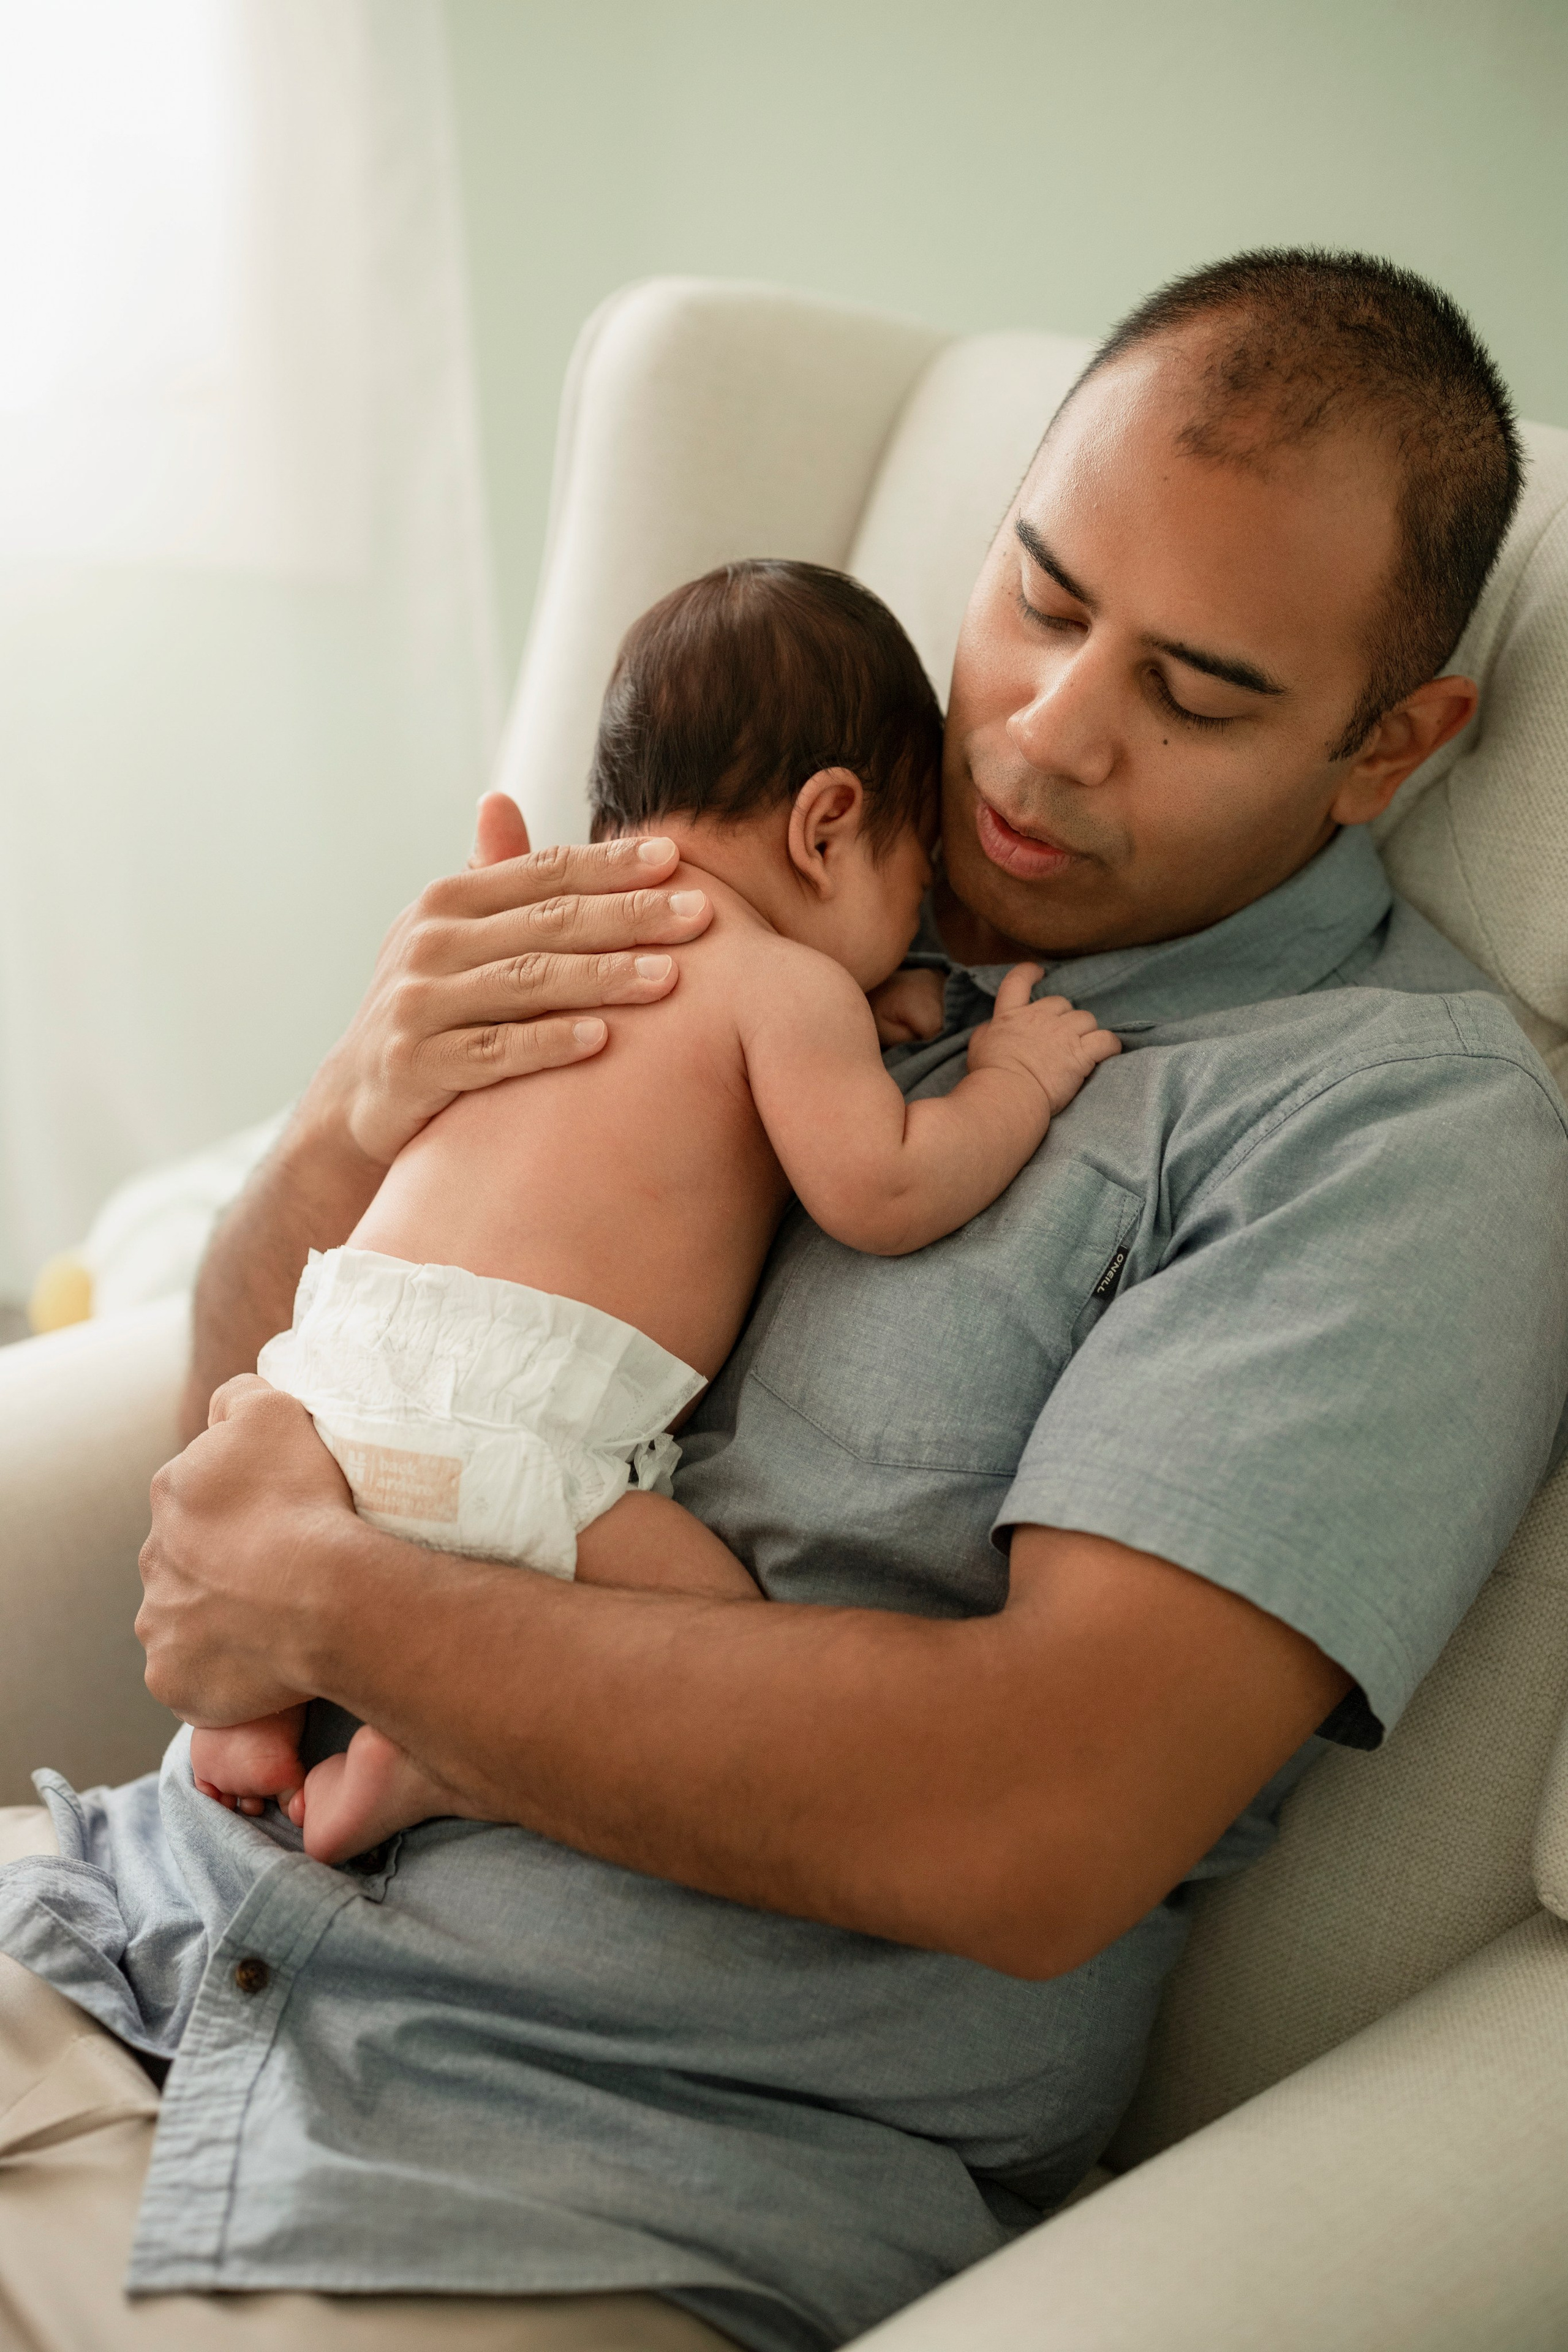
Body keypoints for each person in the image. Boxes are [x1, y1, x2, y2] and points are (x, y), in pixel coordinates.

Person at [4, 249, 1568, 2352]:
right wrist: (348, 1122)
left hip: (538, 2184)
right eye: (1035, 594)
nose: (1042, 732)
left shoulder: (1385, 1142)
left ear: (1394, 748)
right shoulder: (779, 865)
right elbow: (246, 1441)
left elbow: (1042, 1819)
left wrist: (345, 1611)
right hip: (115, 1944)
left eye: (1194, 693)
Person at [186, 560, 1118, 1862]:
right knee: (714, 1636)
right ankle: (435, 1759)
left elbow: (644, 1085)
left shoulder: (537, 926)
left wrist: (866, 997)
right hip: (519, 1431)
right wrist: (1008, 1079)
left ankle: (243, 1719)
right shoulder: (781, 987)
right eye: (912, 892)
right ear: (825, 825)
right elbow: (882, 1188)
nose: (916, 931)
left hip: (333, 1377)